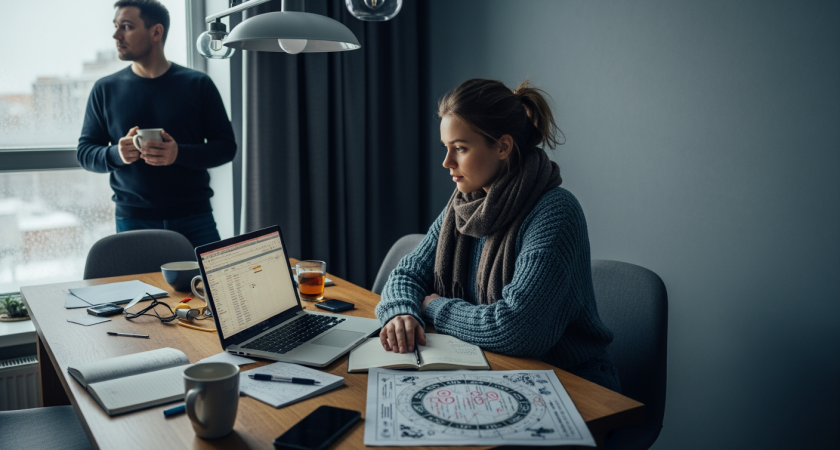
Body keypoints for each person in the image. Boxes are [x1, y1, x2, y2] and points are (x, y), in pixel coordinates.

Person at [375, 78, 620, 392]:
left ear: (503, 146)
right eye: (446, 148)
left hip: (570, 380)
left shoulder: (555, 212)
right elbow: (407, 273)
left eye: (460, 149)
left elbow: (517, 328)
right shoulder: (464, 203)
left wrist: (433, 307)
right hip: (490, 366)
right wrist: (401, 312)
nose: (446, 162)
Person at [77, 0, 236, 248]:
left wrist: (178, 153)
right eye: (116, 26)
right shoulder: (105, 89)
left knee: (211, 287)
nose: (116, 35)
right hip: (133, 222)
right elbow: (85, 152)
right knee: (141, 289)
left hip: (195, 218)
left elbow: (226, 147)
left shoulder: (198, 85)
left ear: (156, 32)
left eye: (126, 26)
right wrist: (116, 153)